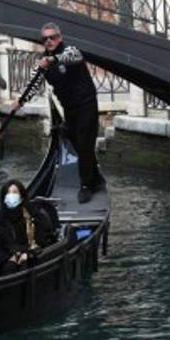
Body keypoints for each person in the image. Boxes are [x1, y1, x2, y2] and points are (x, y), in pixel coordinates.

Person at [36, 22, 105, 204]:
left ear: (59, 38)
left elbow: (75, 57)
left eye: (52, 37)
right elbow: (34, 82)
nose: (49, 41)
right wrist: (19, 102)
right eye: (45, 39)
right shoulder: (43, 60)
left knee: (85, 143)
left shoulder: (69, 50)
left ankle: (86, 185)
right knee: (76, 143)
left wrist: (53, 60)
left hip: (86, 104)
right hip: (69, 107)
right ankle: (95, 178)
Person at [0, 180, 56, 275]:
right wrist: (10, 257)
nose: (11, 196)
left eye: (14, 192)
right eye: (8, 193)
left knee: (26, 266)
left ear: (21, 197)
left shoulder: (34, 216)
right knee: (9, 267)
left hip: (32, 256)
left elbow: (43, 241)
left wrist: (27, 254)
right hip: (7, 258)